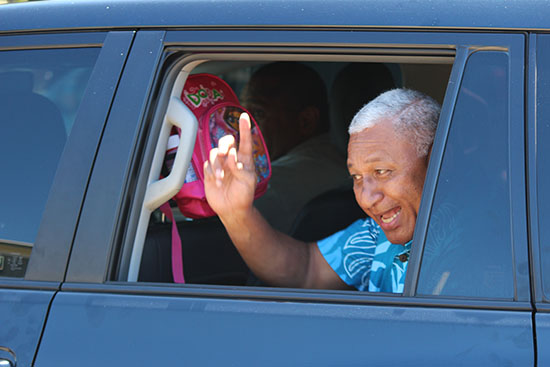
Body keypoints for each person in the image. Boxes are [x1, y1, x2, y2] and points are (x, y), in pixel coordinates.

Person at [203, 88, 440, 293]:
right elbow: (306, 269)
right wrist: (236, 213)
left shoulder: (474, 239)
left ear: (436, 162)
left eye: (381, 171)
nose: (367, 198)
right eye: (356, 177)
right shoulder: (375, 236)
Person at [240, 62, 350, 234]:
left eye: (258, 114)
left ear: (306, 121)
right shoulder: (338, 166)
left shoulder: (273, 185)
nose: (243, 128)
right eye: (241, 115)